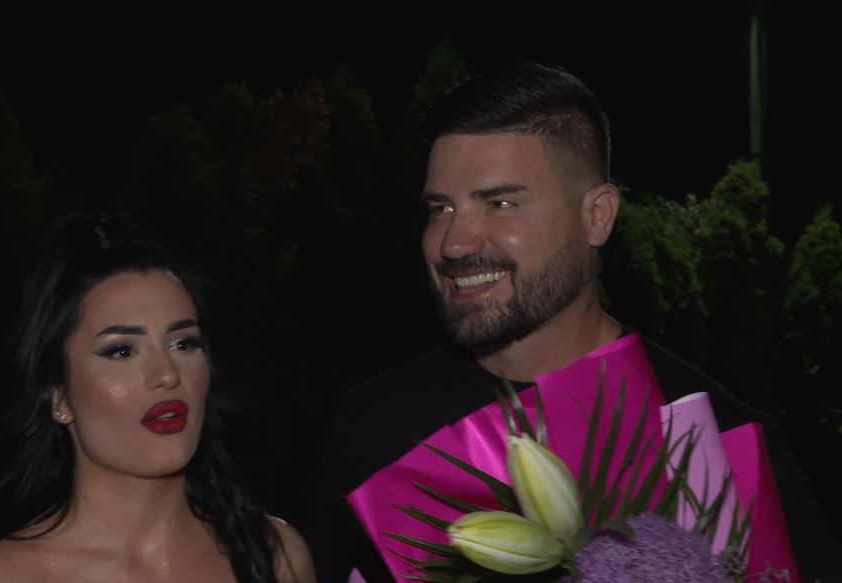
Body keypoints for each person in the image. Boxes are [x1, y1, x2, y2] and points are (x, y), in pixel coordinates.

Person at [306, 62, 840, 582]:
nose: (454, 243)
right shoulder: (374, 422)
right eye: (441, 209)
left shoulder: (712, 442)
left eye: (501, 203)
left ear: (596, 216)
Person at [0, 215, 315, 583]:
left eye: (183, 343)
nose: (167, 374)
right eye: (122, 351)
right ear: (58, 395)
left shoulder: (275, 556)